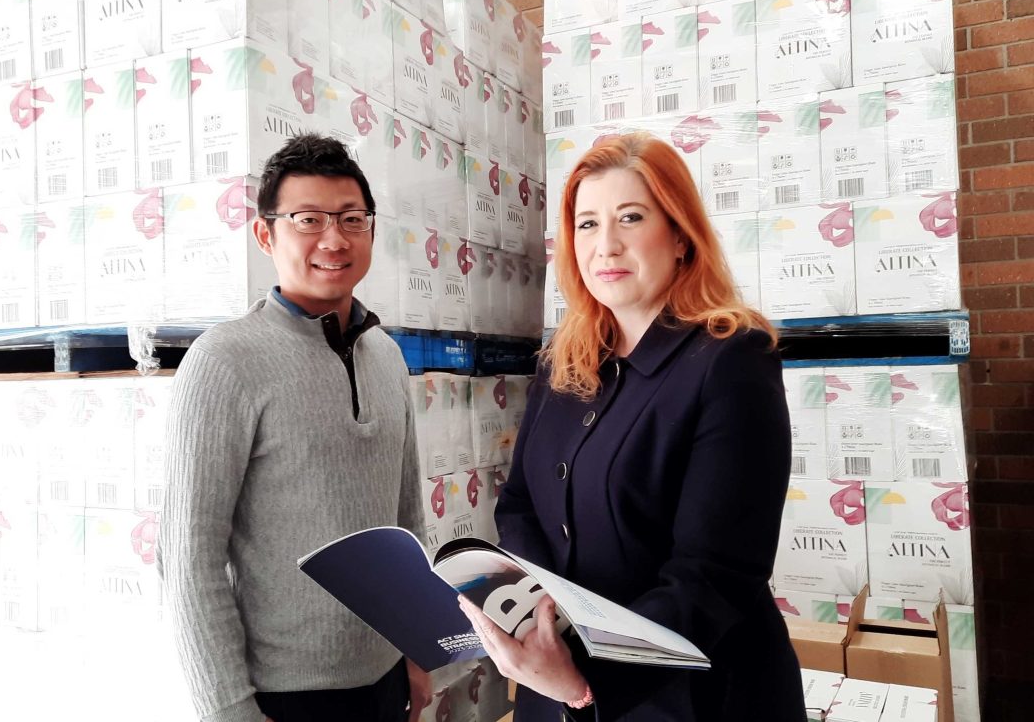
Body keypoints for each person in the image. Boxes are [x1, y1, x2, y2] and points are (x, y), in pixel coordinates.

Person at [457, 132, 805, 721]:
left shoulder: (731, 361)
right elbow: (518, 505)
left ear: (679, 236)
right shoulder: (563, 361)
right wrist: (537, 618)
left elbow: (714, 575)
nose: (605, 245)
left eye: (630, 217)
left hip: (689, 696)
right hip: (555, 685)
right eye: (587, 224)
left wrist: (587, 677)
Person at [158, 134, 432, 722]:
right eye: (308, 220)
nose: (334, 239)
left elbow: (407, 516)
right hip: (283, 696)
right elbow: (188, 558)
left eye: (352, 219)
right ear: (266, 234)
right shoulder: (225, 361)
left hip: (386, 678)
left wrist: (418, 647)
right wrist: (229, 711)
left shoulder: (385, 354)